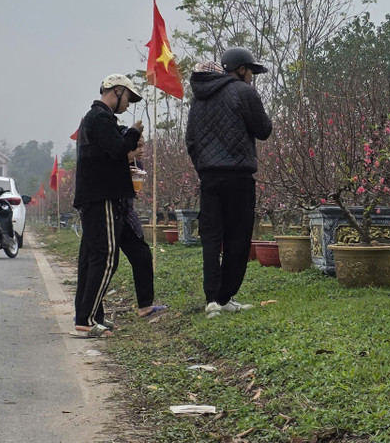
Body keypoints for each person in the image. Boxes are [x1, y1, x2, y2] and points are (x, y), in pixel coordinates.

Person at [70, 74, 165, 338]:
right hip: (103, 198)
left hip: (94, 197)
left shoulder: (94, 118)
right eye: (128, 98)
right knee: (105, 258)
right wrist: (133, 132)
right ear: (117, 91)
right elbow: (116, 150)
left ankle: (88, 316)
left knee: (91, 260)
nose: (128, 104)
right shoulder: (100, 118)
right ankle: (87, 320)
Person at [185, 47, 273, 317]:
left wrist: (203, 167)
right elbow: (264, 130)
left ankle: (212, 299)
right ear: (241, 69)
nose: (251, 77)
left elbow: (190, 141)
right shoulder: (243, 92)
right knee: (238, 236)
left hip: (209, 177)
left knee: (211, 238)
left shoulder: (197, 100)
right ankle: (226, 297)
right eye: (251, 72)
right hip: (238, 176)